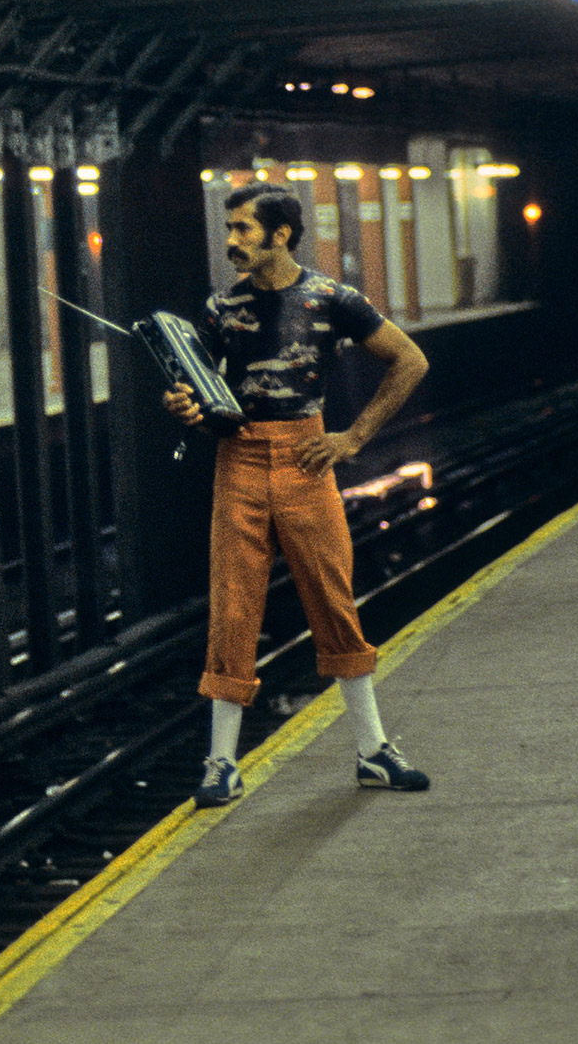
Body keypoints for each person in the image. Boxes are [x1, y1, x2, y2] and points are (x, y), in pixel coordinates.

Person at [162, 184, 431, 807]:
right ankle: (221, 764)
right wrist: (185, 408)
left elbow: (410, 360)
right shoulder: (219, 308)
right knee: (233, 605)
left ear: (281, 234)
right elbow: (202, 398)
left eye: (243, 230)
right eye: (229, 229)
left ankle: (373, 752)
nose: (231, 241)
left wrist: (353, 438)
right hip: (239, 461)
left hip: (308, 459)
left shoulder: (331, 297)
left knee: (334, 601)